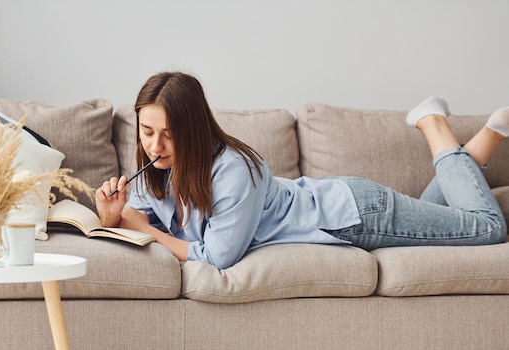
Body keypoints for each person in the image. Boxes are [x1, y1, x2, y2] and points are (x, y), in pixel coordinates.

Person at [96, 72, 508, 270]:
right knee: (442, 217)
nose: (154, 146)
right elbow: (139, 215)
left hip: (355, 217)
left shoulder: (235, 169)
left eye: (167, 134)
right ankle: (481, 142)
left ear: (194, 128)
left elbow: (218, 256)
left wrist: (147, 231)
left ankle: (432, 124)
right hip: (344, 206)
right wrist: (112, 216)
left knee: (488, 228)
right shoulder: (156, 167)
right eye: (146, 132)